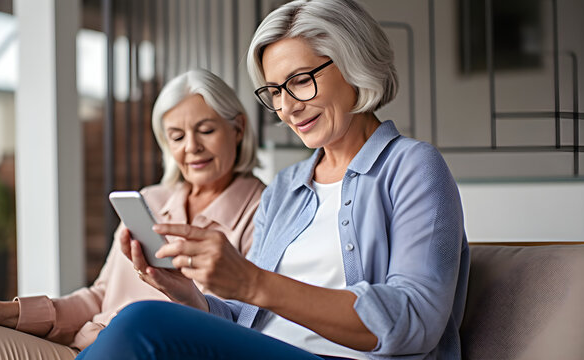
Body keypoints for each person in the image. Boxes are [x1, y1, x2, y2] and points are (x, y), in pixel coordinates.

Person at [77, 0, 470, 359]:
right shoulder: (286, 187)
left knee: (142, 322)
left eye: (300, 80)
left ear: (354, 65)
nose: (287, 108)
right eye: (275, 91)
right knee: (143, 319)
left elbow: (415, 322)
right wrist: (186, 294)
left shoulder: (412, 167)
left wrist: (252, 282)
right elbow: (246, 320)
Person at [0, 69, 265, 359]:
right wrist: (6, 311)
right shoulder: (151, 200)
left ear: (238, 128)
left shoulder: (262, 211)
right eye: (177, 137)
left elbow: (242, 326)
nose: (191, 147)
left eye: (206, 130)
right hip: (85, 348)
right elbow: (100, 297)